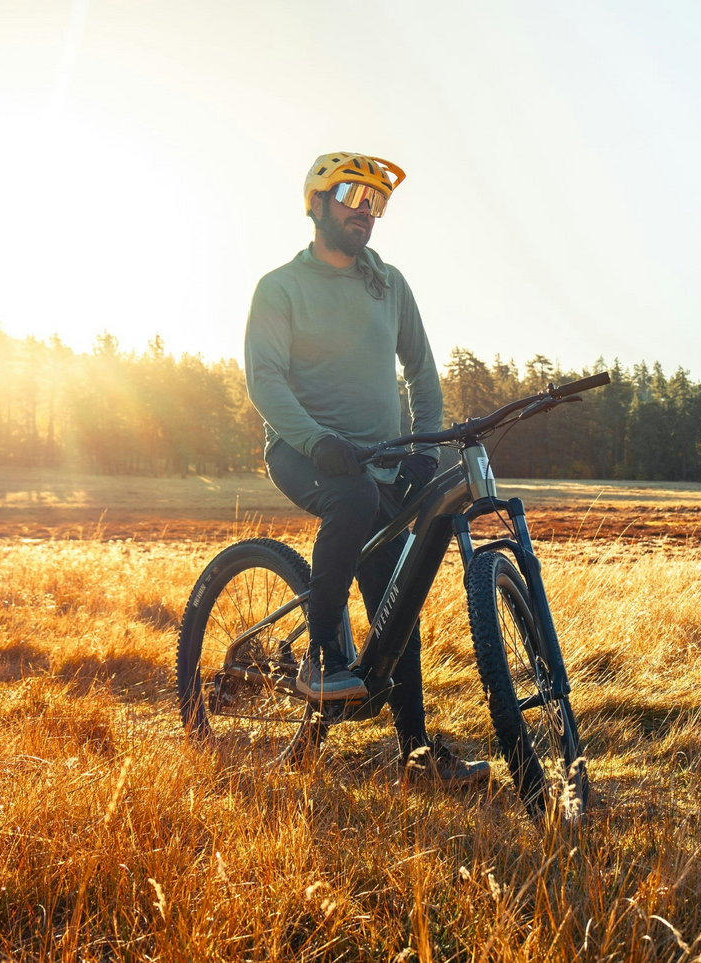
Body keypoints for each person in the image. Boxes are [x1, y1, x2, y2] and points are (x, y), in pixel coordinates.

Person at [244, 151, 488, 785]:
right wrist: (313, 439)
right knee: (349, 503)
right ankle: (321, 658)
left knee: (396, 599)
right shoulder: (280, 287)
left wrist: (423, 451)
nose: (366, 211)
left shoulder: (389, 283)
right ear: (317, 201)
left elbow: (424, 374)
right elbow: (264, 379)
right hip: (304, 454)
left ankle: (415, 754)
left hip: (381, 464)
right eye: (353, 195)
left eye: (377, 203)